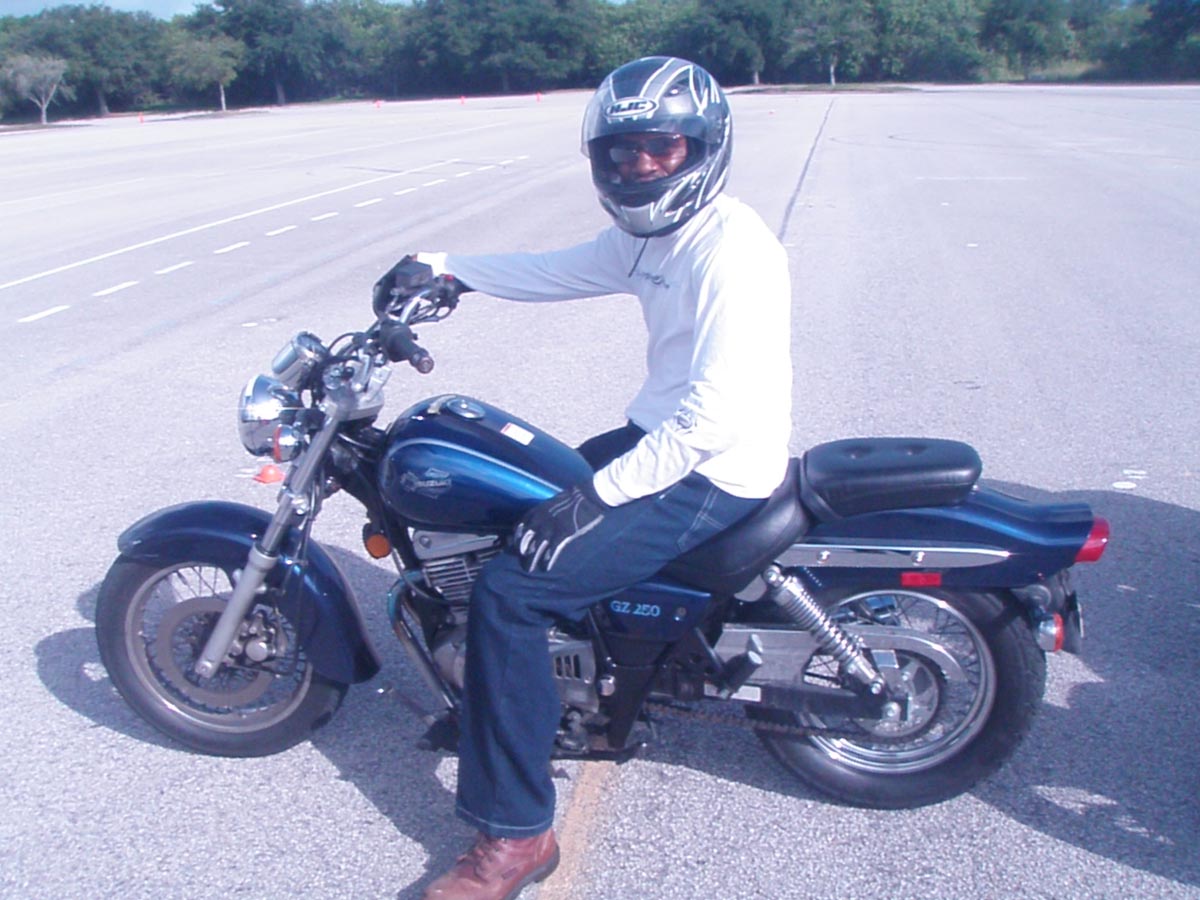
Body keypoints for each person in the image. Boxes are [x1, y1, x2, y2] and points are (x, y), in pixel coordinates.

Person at [382, 56, 793, 900]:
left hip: (712, 466)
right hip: (666, 435)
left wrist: (597, 497)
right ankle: (534, 689)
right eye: (621, 151)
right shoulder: (650, 238)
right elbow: (558, 269)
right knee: (525, 497)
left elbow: (713, 420)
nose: (639, 166)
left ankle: (516, 834)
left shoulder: (733, 251)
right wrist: (446, 265)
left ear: (702, 148)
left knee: (511, 592)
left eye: (661, 148)